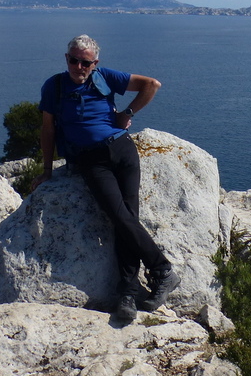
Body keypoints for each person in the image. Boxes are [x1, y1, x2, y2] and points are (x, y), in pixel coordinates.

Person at [31, 34, 180, 322]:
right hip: (90, 159)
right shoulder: (55, 86)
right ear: (66, 59)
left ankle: (126, 293)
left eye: (85, 62)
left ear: (94, 63)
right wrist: (47, 170)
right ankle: (161, 271)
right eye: (74, 60)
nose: (79, 66)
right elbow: (47, 129)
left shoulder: (105, 77)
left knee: (127, 219)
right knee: (120, 216)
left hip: (123, 150)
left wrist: (128, 112)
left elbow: (152, 85)